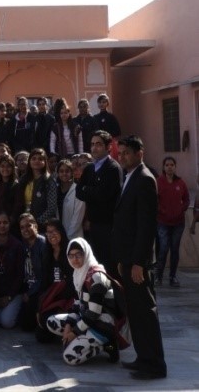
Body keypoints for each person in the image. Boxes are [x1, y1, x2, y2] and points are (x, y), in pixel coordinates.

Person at [113, 136, 167, 379]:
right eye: (120, 153)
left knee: (145, 312)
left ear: (139, 153)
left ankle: (154, 365)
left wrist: (138, 262)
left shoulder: (144, 179)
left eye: (126, 153)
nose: (122, 156)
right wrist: (124, 259)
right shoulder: (130, 177)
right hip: (128, 258)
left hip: (138, 262)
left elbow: (146, 226)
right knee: (135, 312)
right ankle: (143, 357)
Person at [46, 238, 121, 366]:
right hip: (86, 318)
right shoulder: (79, 273)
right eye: (71, 256)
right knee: (52, 322)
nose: (75, 259)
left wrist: (74, 332)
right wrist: (69, 325)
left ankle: (108, 346)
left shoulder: (96, 277)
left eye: (78, 255)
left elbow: (94, 313)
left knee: (70, 357)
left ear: (86, 254)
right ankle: (84, 338)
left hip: (102, 325)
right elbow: (78, 303)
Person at [75, 130, 122, 273]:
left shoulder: (113, 168)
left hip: (109, 226)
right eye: (92, 144)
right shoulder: (89, 168)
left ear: (108, 147)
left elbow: (103, 195)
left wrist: (88, 190)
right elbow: (79, 192)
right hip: (93, 226)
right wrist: (93, 190)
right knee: (96, 267)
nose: (94, 148)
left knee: (109, 267)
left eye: (99, 144)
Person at [35, 219, 75, 343]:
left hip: (69, 297)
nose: (51, 235)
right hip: (53, 297)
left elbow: (74, 282)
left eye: (54, 231)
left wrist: (61, 304)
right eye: (48, 232)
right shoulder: (47, 253)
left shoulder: (70, 251)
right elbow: (44, 282)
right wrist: (39, 307)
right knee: (41, 335)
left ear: (61, 232)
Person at [0, 211, 24, 329]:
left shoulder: (17, 245)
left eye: (5, 222)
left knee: (7, 323)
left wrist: (9, 297)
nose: (2, 225)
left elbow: (20, 275)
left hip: (12, 293)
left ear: (10, 224)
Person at [155, 156, 190, 287]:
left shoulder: (181, 183)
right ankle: (158, 276)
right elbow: (153, 199)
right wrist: (161, 210)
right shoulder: (158, 182)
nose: (169, 167)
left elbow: (186, 199)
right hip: (163, 222)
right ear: (163, 167)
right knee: (163, 248)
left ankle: (172, 277)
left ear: (175, 167)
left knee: (175, 249)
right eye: (167, 165)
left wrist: (182, 208)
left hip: (178, 223)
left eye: (172, 165)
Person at [13, 148, 57, 230]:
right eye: (34, 159)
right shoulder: (23, 179)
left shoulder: (49, 181)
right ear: (29, 161)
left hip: (43, 225)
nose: (37, 161)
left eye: (40, 159)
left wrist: (36, 222)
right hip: (23, 224)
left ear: (45, 162)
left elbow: (51, 208)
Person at [18, 213, 47, 332]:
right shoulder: (24, 244)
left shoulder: (43, 244)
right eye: (22, 227)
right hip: (28, 287)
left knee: (27, 324)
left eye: (28, 225)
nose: (25, 229)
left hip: (39, 289)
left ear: (35, 226)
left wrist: (29, 294)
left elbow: (44, 276)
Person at [56, 159, 85, 240]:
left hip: (74, 236)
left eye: (67, 171)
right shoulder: (56, 190)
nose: (64, 174)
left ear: (72, 173)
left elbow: (78, 216)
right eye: (61, 171)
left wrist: (69, 235)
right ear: (57, 173)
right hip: (59, 235)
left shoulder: (78, 189)